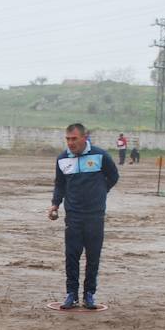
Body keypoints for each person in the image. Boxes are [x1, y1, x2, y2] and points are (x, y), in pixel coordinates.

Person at [48, 123, 119, 310]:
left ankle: (89, 295)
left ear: (84, 138)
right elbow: (60, 184)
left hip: (95, 216)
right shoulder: (62, 159)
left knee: (93, 256)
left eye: (74, 139)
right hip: (73, 216)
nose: (70, 143)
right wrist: (55, 204)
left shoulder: (100, 156)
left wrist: (101, 192)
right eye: (68, 139)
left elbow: (113, 176)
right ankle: (71, 294)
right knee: (71, 256)